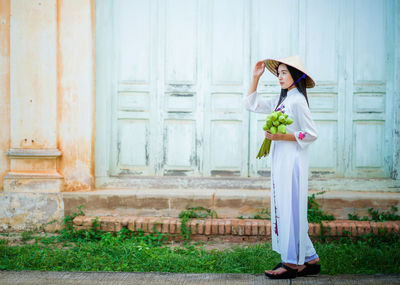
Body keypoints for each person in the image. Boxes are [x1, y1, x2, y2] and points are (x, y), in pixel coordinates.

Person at [243, 55, 321, 279]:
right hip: (281, 161)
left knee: (290, 210)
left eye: (284, 73)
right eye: (278, 73)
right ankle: (310, 259)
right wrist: (255, 78)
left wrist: (282, 136)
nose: (280, 77)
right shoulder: (283, 100)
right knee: (287, 209)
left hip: (293, 163)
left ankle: (292, 264)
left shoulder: (297, 101)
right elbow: (251, 104)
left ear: (296, 76)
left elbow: (312, 133)